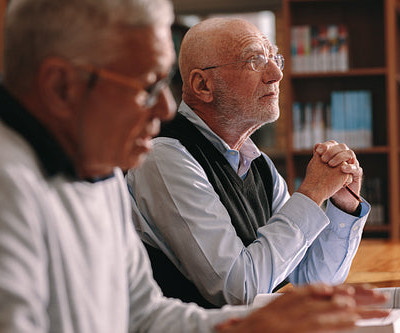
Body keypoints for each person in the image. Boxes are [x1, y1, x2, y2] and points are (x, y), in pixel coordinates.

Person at [0, 0, 388, 332]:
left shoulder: (102, 170)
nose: (167, 108)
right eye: (148, 86)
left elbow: (144, 314)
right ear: (61, 87)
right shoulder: (7, 187)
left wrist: (250, 324)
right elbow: (238, 289)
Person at [127, 17, 370, 309]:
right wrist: (313, 193)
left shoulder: (259, 164)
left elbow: (314, 279)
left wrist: (343, 205)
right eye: (255, 60)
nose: (276, 73)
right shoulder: (164, 157)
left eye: (274, 57)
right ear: (203, 85)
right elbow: (238, 289)